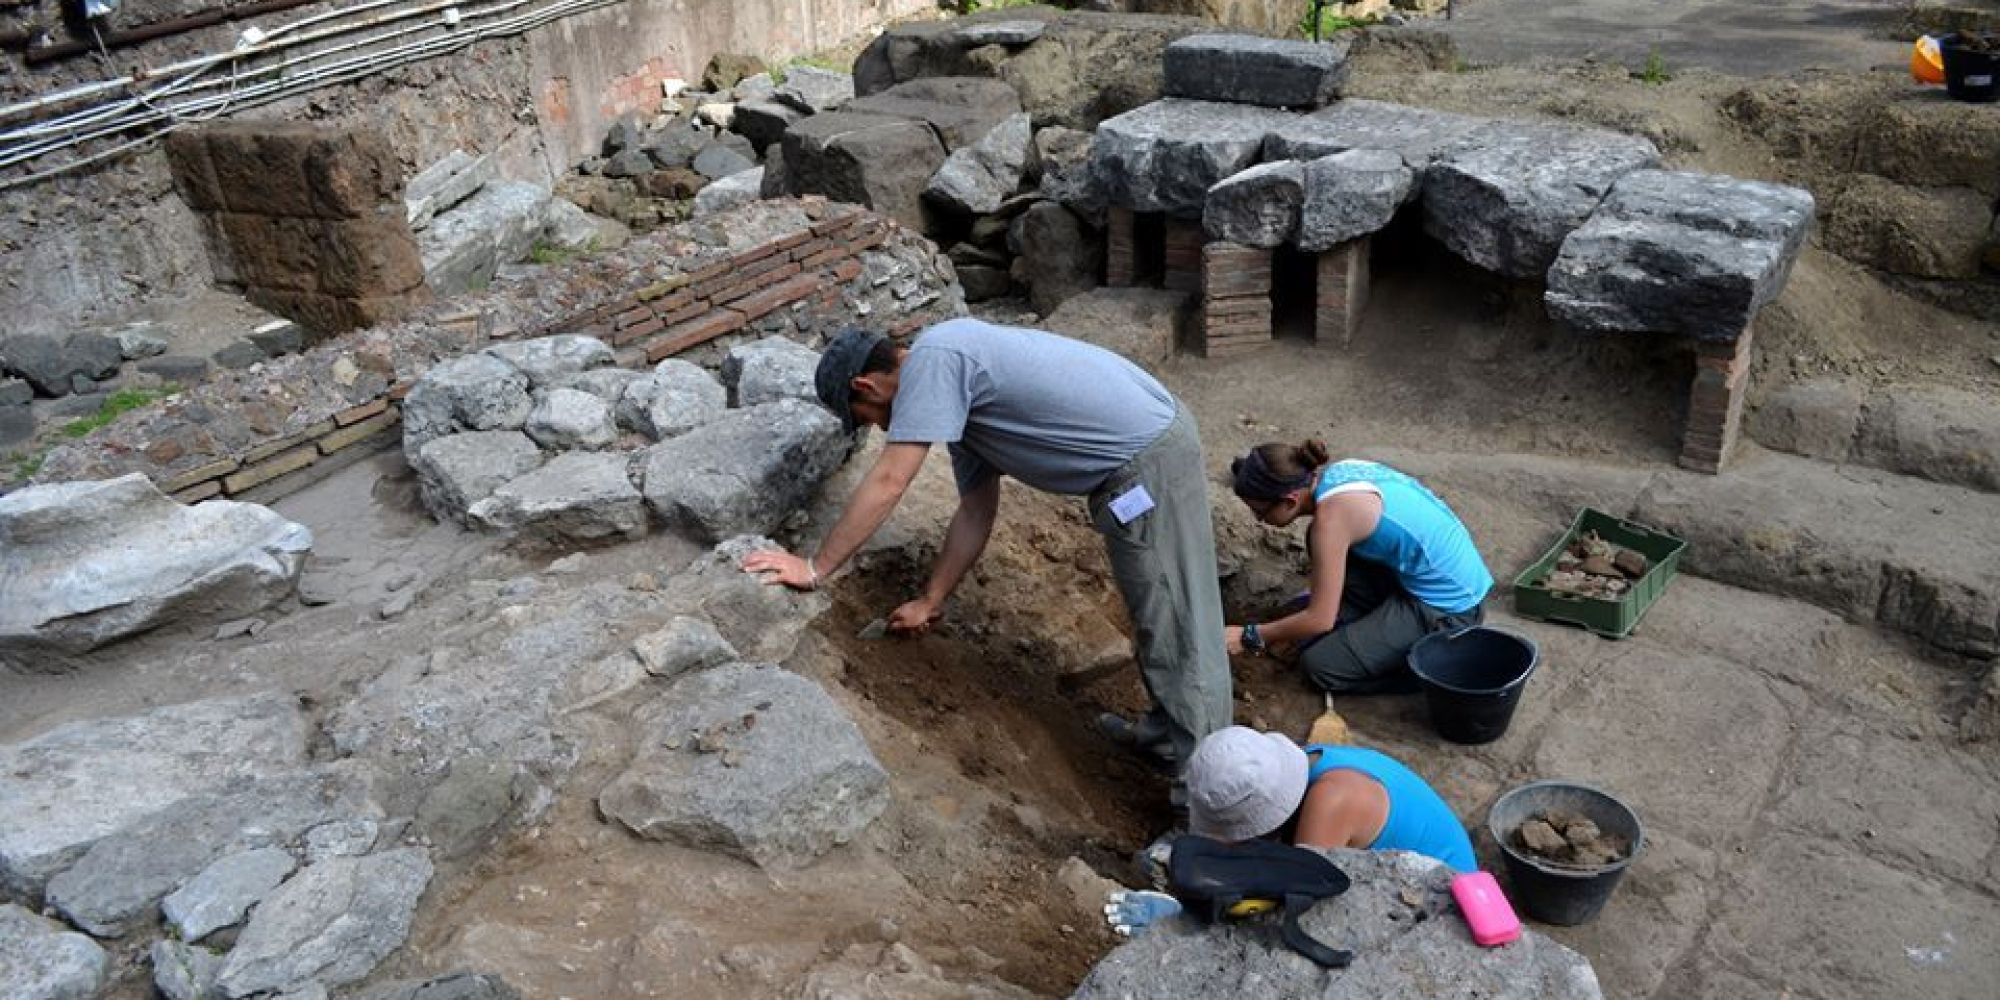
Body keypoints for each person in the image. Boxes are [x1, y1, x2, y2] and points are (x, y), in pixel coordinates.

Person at [740, 318, 1232, 780]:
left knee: (1179, 628)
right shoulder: (958, 397)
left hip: (1148, 464)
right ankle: (1168, 738)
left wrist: (814, 566)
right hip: (1139, 459)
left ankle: (1207, 803)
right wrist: (931, 599)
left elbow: (890, 479)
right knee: (1157, 614)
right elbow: (976, 510)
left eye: (866, 419)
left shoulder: (934, 362)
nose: (881, 429)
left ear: (865, 387)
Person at [1104, 725, 1475, 936]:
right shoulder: (1290, 765)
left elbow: (1288, 903)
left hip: (1446, 900)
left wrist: (1185, 918)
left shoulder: (1332, 802)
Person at [1224, 443, 1492, 694]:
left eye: (1260, 510)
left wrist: (1251, 635)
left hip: (1452, 610)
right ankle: (1372, 624)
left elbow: (1320, 620)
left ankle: (1426, 671)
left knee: (1320, 666)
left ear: (1290, 500)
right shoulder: (1337, 476)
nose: (1259, 519)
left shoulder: (1331, 521)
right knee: (1320, 547)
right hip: (1442, 577)